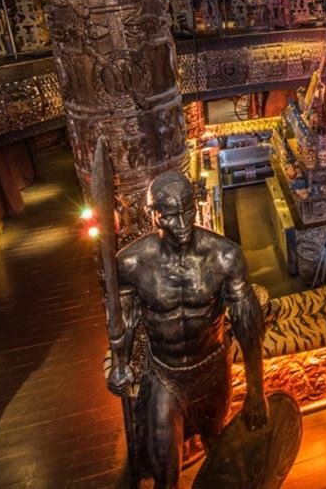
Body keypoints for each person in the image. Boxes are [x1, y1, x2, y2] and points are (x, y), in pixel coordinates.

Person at [107, 170, 267, 488]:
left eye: (188, 211)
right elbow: (123, 320)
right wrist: (119, 364)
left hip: (212, 368)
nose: (182, 225)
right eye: (171, 215)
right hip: (165, 374)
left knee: (223, 460)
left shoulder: (224, 256)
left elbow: (248, 328)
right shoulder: (131, 263)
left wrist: (256, 392)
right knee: (165, 476)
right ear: (154, 214)